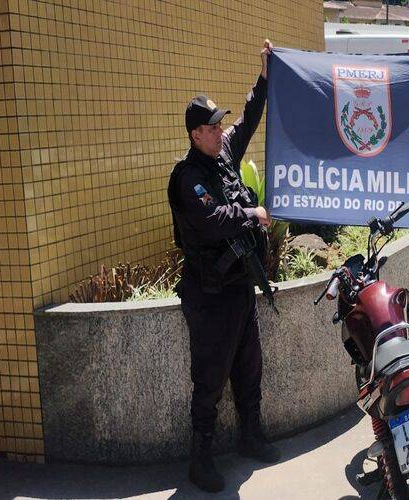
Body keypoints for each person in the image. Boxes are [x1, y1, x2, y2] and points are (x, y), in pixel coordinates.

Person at [167, 39, 279, 493]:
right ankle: (200, 459)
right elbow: (213, 222)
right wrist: (252, 214)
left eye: (220, 125)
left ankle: (251, 436)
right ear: (196, 135)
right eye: (212, 128)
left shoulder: (225, 153)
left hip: (238, 288)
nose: (221, 131)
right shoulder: (187, 177)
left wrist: (265, 77)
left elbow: (250, 117)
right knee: (210, 379)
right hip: (209, 295)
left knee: (249, 366)